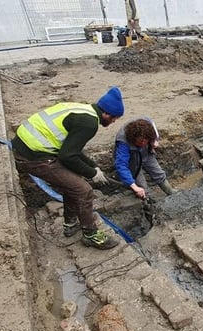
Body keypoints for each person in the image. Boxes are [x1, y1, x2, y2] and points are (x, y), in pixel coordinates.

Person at [11, 87, 125, 250]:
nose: (114, 122)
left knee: (72, 184)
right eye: (114, 118)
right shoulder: (90, 124)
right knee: (84, 190)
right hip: (33, 156)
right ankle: (90, 235)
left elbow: (73, 150)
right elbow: (67, 156)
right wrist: (91, 173)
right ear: (107, 114)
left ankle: (70, 224)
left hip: (28, 146)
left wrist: (94, 166)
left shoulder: (84, 110)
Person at [113, 117, 176, 200]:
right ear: (133, 139)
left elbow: (154, 132)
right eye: (140, 141)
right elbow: (121, 165)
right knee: (140, 184)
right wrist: (133, 186)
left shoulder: (148, 126)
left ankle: (170, 191)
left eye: (144, 141)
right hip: (132, 156)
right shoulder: (123, 142)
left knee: (157, 172)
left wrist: (154, 141)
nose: (142, 143)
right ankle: (149, 200)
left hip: (146, 151)